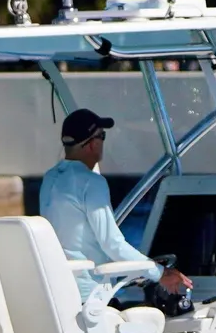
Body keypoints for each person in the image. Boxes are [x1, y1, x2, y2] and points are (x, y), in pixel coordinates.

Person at [37, 108, 190, 313]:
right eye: (102, 136)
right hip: (92, 299)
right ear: (93, 143)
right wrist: (160, 273)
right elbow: (112, 244)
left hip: (60, 293)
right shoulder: (91, 182)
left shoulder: (50, 178)